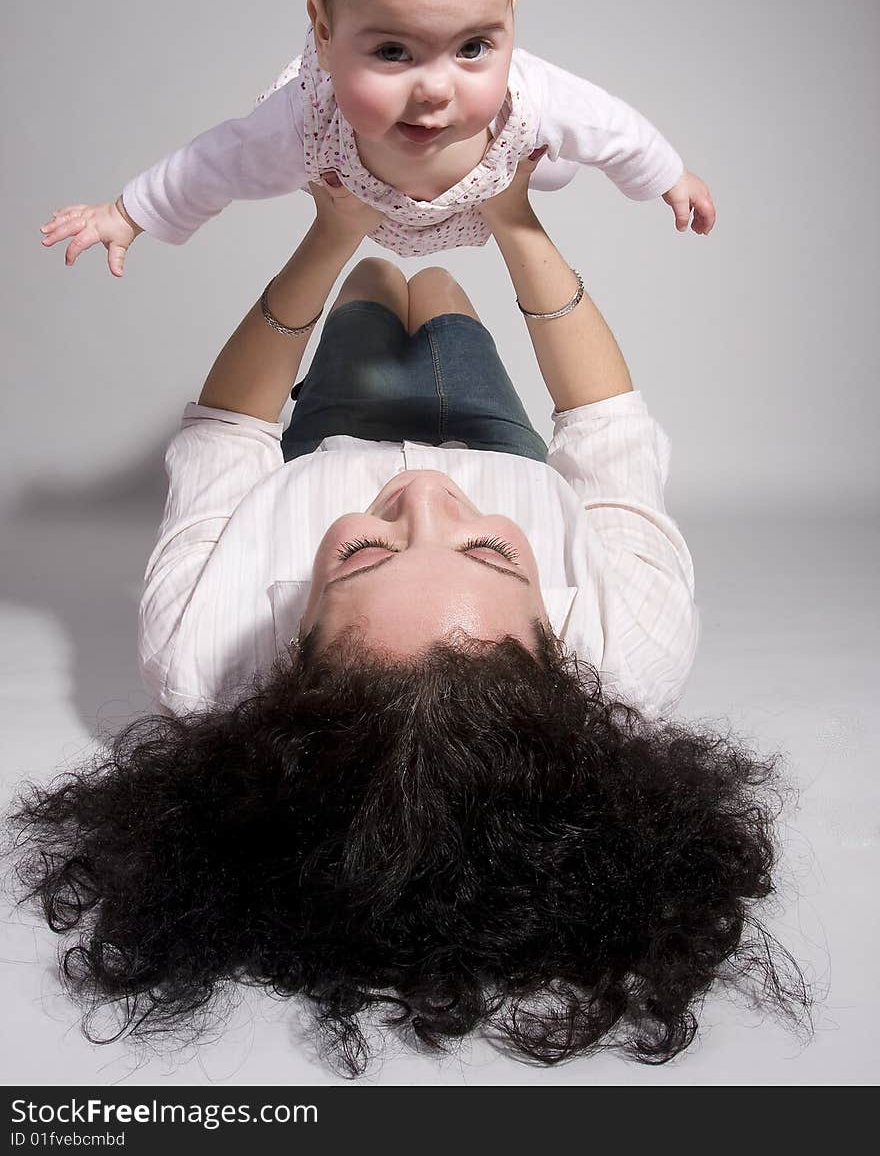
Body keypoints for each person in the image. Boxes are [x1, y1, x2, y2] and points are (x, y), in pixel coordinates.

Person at [12, 159, 806, 1080]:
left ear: (295, 643)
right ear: (556, 645)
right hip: (491, 425)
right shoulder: (634, 651)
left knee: (371, 276)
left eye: (363, 554)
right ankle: (427, 278)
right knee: (438, 280)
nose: (425, 492)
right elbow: (605, 423)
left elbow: (228, 432)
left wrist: (335, 231)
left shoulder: (205, 660)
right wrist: (512, 217)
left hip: (329, 431)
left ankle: (373, 266)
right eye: (489, 552)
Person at [38, 0, 715, 277]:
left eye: (473, 46)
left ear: (510, 19)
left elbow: (613, 126)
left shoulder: (528, 102)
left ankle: (499, 101)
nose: (434, 89)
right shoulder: (308, 125)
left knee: (563, 153)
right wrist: (127, 214)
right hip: (361, 195)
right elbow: (211, 164)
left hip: (500, 175)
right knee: (260, 161)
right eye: (395, 50)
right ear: (325, 35)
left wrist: (666, 176)